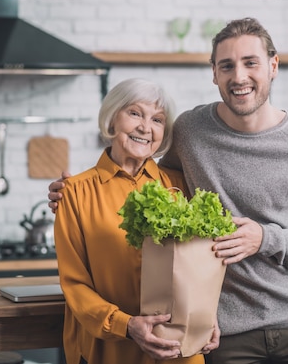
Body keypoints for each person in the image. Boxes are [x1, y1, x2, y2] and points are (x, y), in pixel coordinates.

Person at [49, 18, 288, 364]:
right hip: (227, 332)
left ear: (273, 65)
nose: (238, 76)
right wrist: (75, 191)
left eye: (250, 62)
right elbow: (137, 166)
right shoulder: (191, 132)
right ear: (214, 73)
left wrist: (265, 238)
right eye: (227, 65)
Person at [53, 77, 219, 364]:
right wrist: (125, 325)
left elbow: (201, 267)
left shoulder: (181, 187)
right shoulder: (75, 192)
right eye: (134, 113)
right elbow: (74, 284)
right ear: (112, 119)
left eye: (157, 119)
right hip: (111, 350)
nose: (145, 127)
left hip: (178, 350)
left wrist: (206, 315)